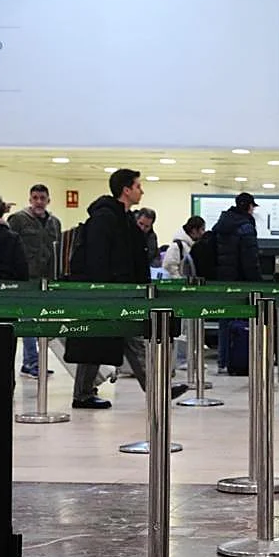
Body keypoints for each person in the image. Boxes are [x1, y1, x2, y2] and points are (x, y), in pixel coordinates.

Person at [70, 169, 187, 409]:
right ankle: (155, 389)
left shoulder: (124, 219)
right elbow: (98, 257)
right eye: (138, 186)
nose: (141, 190)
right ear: (126, 189)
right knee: (100, 339)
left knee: (122, 339)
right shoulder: (105, 219)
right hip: (109, 293)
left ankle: (156, 389)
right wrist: (105, 290)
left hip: (122, 292)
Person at [8, 184, 62, 378]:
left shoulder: (54, 223)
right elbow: (10, 247)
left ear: (48, 200)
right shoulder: (18, 220)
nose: (39, 201)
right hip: (24, 279)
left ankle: (35, 361)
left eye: (42, 198)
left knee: (42, 320)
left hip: (45, 280)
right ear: (30, 199)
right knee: (28, 320)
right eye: (35, 198)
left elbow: (56, 251)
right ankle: (32, 361)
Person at [213, 193, 263, 373]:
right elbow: (250, 259)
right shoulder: (246, 227)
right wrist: (257, 281)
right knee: (245, 321)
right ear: (249, 207)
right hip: (241, 281)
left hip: (223, 280)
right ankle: (242, 360)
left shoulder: (221, 225)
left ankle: (222, 361)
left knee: (225, 321)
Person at [161, 215, 206, 372]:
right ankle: (180, 361)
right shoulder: (178, 246)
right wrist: (179, 280)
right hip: (179, 293)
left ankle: (188, 359)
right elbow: (168, 265)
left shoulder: (188, 246)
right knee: (182, 329)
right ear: (193, 230)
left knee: (188, 328)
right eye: (201, 230)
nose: (202, 233)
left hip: (186, 292)